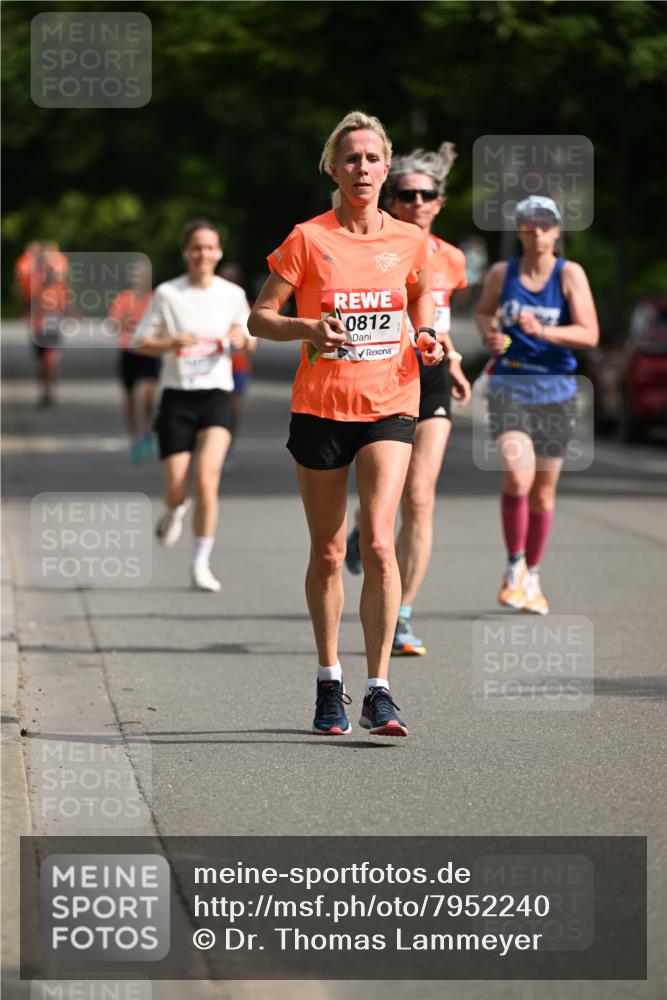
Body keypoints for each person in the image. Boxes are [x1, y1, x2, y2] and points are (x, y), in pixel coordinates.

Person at [248, 110, 444, 737]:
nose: (362, 168)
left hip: (391, 400)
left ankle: (379, 690)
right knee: (330, 551)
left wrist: (428, 333)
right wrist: (306, 327)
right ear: (333, 167)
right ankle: (329, 681)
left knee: (381, 542)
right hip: (321, 407)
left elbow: (419, 294)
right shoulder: (308, 238)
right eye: (351, 158)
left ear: (387, 168)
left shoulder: (408, 239)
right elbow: (260, 317)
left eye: (373, 158)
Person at [344, 143, 472, 657]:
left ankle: (402, 615)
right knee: (386, 498)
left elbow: (438, 321)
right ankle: (361, 525)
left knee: (420, 496)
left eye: (428, 194)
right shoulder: (377, 247)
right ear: (392, 199)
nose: (418, 201)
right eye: (407, 193)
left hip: (433, 375)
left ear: (440, 201)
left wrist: (456, 360)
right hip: (384, 374)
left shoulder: (455, 260)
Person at [475, 195, 599, 614]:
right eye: (530, 224)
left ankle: (534, 574)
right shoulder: (500, 273)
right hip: (510, 383)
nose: (538, 231)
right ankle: (514, 568)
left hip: (557, 391)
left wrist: (545, 332)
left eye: (546, 224)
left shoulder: (569, 274)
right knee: (518, 475)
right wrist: (491, 335)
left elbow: (589, 334)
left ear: (558, 231)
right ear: (520, 231)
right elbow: (484, 315)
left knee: (544, 493)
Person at [132, 219, 255, 591]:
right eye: (196, 248)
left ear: (219, 252)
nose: (203, 254)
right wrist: (171, 343)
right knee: (176, 486)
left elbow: (252, 339)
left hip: (217, 395)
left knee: (206, 479)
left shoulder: (232, 294)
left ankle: (200, 563)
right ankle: (173, 510)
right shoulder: (169, 294)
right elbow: (140, 341)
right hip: (177, 397)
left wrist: (240, 337)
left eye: (210, 247)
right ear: (187, 252)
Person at [108, 258, 159, 461]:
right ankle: (134, 436)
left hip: (148, 351)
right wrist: (124, 318)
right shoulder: (124, 298)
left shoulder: (156, 298)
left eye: (143, 275)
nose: (139, 279)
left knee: (148, 394)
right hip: (128, 351)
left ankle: (148, 431)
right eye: (136, 275)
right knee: (129, 398)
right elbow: (113, 325)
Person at [216, 262, 258, 460]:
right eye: (225, 277)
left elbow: (252, 344)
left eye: (232, 278)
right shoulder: (208, 303)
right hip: (214, 369)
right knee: (214, 412)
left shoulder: (245, 304)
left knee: (232, 413)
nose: (228, 281)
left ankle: (227, 449)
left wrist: (242, 340)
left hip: (238, 368)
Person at [29, 243, 70, 408]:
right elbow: (32, 305)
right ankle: (44, 391)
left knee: (52, 360)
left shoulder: (61, 288)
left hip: (53, 329)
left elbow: (66, 307)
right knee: (41, 363)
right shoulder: (37, 286)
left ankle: (52, 391)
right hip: (39, 329)